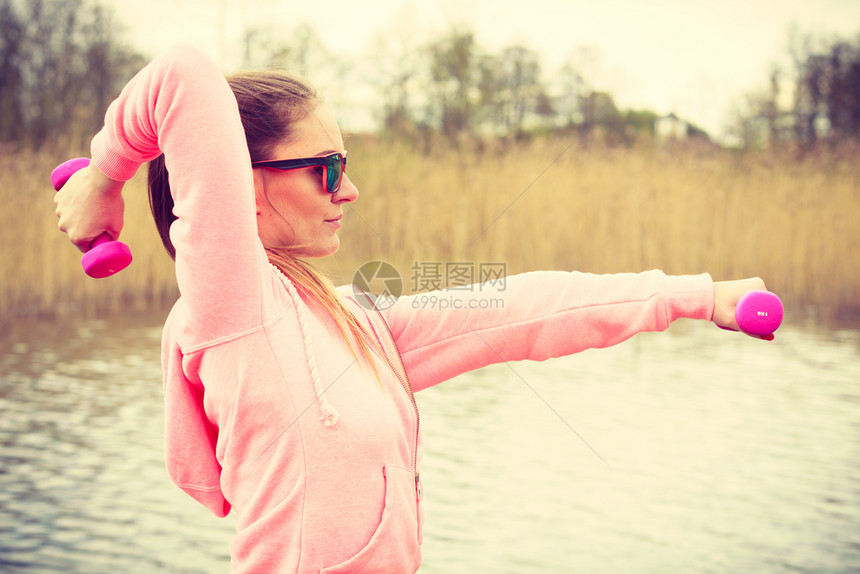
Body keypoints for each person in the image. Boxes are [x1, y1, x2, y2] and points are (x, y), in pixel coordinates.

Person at [54, 44, 771, 573]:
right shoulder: (233, 308)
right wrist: (105, 176)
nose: (349, 190)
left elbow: (525, 307)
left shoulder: (354, 323)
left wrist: (699, 297)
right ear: (243, 185)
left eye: (348, 167)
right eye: (327, 168)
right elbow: (182, 76)